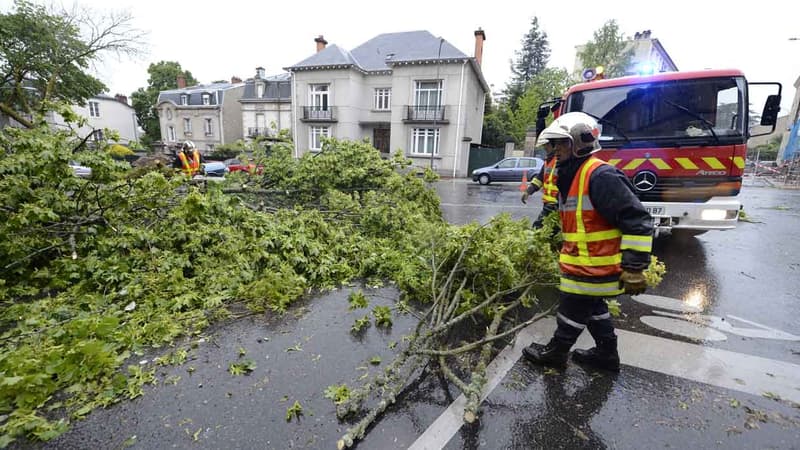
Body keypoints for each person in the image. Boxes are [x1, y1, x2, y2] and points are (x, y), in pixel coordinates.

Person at [522, 112, 653, 372]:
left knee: (571, 310)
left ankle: (556, 353)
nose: (555, 150)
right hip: (583, 262)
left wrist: (635, 267)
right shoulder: (571, 175)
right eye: (554, 144)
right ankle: (606, 355)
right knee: (594, 309)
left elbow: (637, 219)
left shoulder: (600, 175)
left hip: (594, 265)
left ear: (579, 143)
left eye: (560, 144)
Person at [521, 147, 559, 229]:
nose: (546, 148)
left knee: (538, 227)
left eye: (547, 145)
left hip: (556, 204)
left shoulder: (561, 161)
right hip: (548, 203)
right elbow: (540, 178)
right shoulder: (548, 161)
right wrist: (528, 191)